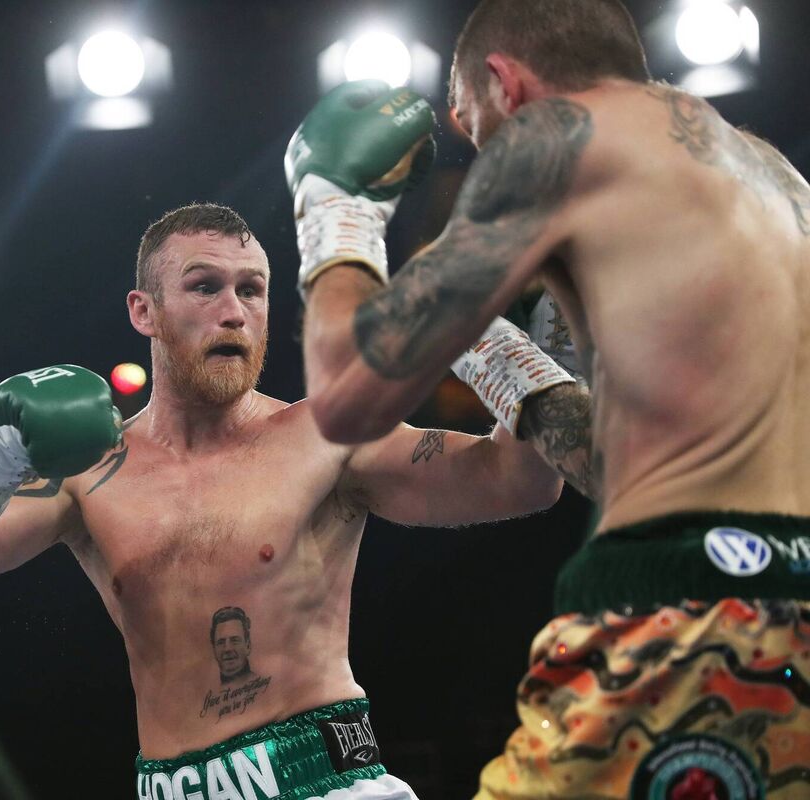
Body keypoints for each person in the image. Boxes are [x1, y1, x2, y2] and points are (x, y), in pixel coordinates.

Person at [285, 0, 810, 797]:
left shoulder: (552, 139)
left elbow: (345, 394)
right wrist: (502, 358)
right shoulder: (774, 182)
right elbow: (626, 463)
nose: (477, 149)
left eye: (470, 122)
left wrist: (335, 207)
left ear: (505, 85)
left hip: (679, 613)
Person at [0, 202, 577, 799]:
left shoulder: (327, 435)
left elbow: (523, 480)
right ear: (145, 311)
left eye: (252, 290)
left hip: (328, 783)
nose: (233, 311)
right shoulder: (90, 472)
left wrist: (509, 349)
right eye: (204, 287)